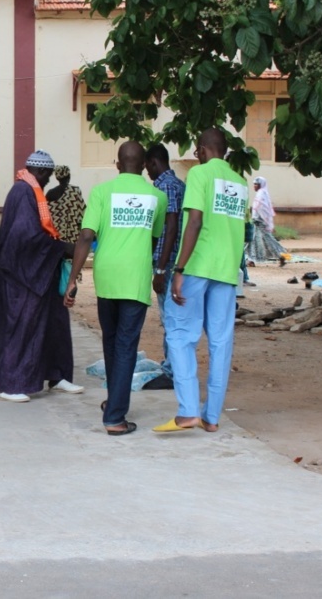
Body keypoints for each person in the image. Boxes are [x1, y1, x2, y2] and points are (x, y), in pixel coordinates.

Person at [64, 141, 167, 435]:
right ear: (145, 164)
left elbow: (85, 237)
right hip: (134, 278)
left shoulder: (101, 192)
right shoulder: (156, 197)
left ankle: (114, 401)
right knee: (125, 346)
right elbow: (153, 238)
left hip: (106, 276)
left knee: (111, 342)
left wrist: (73, 279)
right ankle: (115, 418)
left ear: (118, 164)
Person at [154, 129, 247, 433]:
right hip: (226, 270)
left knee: (180, 334)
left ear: (204, 150)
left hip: (197, 266)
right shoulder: (241, 182)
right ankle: (212, 417)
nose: (197, 155)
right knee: (221, 342)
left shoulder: (200, 175)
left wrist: (179, 269)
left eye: (198, 151)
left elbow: (194, 220)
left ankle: (188, 411)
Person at [0, 150, 82, 403]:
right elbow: (25, 237)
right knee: (25, 327)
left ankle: (56, 374)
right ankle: (11, 383)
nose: (48, 181)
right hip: (24, 275)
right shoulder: (23, 192)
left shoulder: (31, 190)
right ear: (40, 172)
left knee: (55, 324)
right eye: (48, 176)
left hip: (39, 270)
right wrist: (60, 247)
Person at [146, 143, 186, 380]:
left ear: (153, 162)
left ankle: (172, 371)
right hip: (173, 261)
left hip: (168, 263)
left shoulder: (167, 187)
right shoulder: (179, 184)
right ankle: (171, 365)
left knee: (170, 318)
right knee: (174, 317)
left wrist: (160, 269)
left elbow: (170, 227)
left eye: (147, 167)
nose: (147, 173)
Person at [246, 176, 288, 265]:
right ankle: (251, 259)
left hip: (259, 221)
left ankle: (282, 254)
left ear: (261, 185)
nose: (254, 186)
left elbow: (262, 209)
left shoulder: (261, 194)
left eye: (256, 184)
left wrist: (266, 221)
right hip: (258, 220)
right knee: (255, 240)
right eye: (254, 184)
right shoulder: (263, 193)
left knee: (260, 239)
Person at [46, 165, 86, 244]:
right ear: (69, 176)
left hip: (55, 236)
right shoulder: (75, 191)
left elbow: (47, 216)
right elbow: (82, 214)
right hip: (72, 236)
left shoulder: (50, 193)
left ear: (57, 178)